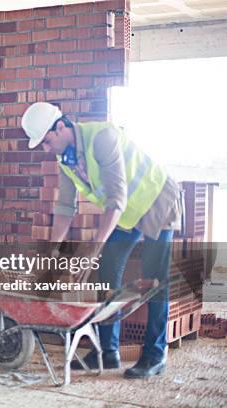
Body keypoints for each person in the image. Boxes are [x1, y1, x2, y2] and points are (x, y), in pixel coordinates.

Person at [21, 102, 181, 379]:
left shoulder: (102, 137)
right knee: (107, 272)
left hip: (157, 198)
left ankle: (155, 355)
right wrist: (50, 253)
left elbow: (116, 199)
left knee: (155, 279)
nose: (46, 150)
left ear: (61, 127)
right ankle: (107, 352)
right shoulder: (65, 160)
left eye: (46, 142)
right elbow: (65, 209)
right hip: (128, 211)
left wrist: (93, 247)